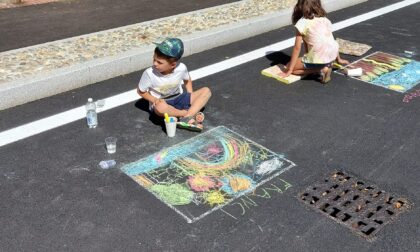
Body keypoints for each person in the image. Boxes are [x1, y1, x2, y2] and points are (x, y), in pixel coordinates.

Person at [137, 38, 211, 131]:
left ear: (173, 64)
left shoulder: (181, 68)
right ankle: (187, 115)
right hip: (162, 102)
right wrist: (154, 100)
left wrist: (190, 95)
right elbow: (141, 91)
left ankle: (184, 116)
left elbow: (187, 80)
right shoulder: (149, 73)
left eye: (159, 62)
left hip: (179, 98)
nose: (155, 63)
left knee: (206, 91)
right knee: (160, 108)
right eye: (154, 59)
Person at [281, 0, 349, 83]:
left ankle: (321, 69)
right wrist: (339, 59)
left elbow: (297, 48)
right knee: (319, 46)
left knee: (290, 67)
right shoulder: (324, 19)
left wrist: (290, 69)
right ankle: (326, 65)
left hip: (319, 57)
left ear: (300, 6)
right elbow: (330, 40)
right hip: (332, 54)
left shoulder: (302, 23)